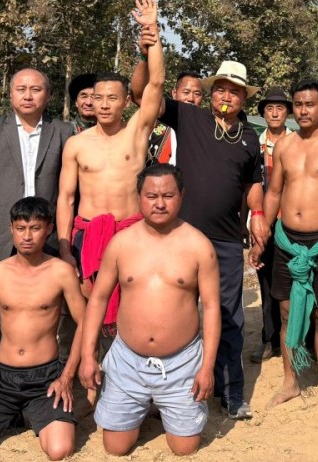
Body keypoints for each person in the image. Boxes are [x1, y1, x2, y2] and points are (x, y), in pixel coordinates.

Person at [130, 55, 263, 420]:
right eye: (221, 89)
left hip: (227, 241)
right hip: (182, 237)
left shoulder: (250, 137)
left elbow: (252, 185)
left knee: (229, 315)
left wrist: (258, 216)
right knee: (175, 312)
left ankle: (231, 392)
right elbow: (141, 94)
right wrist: (145, 54)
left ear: (244, 99)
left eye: (235, 92)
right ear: (211, 93)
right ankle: (169, 390)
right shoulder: (189, 117)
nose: (227, 96)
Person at [80, 164, 220, 456]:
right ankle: (143, 404)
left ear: (181, 196)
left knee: (184, 449)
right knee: (115, 447)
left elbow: (211, 307)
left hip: (182, 362)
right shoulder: (121, 243)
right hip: (128, 360)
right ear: (139, 197)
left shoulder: (199, 246)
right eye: (151, 196)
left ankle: (163, 403)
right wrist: (88, 355)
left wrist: (206, 368)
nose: (159, 203)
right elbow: (98, 299)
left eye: (168, 195)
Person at [0, 197, 86, 461]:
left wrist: (66, 378)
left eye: (35, 228)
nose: (27, 236)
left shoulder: (61, 272)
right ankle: (15, 414)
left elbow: (84, 324)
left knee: (60, 450)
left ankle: (28, 413)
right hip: (1, 380)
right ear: (11, 229)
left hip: (45, 380)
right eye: (21, 228)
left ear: (49, 229)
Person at [250, 79, 318, 414]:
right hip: (286, 240)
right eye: (298, 104)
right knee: (285, 312)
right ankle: (290, 381)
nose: (303, 110)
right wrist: (263, 232)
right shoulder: (285, 145)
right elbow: (274, 192)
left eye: (310, 104)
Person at [0, 67, 74, 371]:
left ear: (48, 95)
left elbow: (72, 189)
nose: (28, 95)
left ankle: (49, 373)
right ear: (10, 95)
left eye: (36, 89)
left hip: (49, 237)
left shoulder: (64, 132)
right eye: (21, 89)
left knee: (52, 308)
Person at [56, 0, 165, 311]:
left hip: (130, 231)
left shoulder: (136, 132)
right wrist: (64, 246)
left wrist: (152, 31)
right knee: (88, 307)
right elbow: (65, 198)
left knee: (134, 305)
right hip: (87, 233)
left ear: (126, 102)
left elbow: (156, 82)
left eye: (112, 98)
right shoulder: (76, 144)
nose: (103, 105)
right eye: (98, 98)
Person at [250, 86, 294, 364]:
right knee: (266, 282)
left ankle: (301, 340)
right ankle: (270, 339)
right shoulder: (254, 145)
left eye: (280, 108)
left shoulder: (298, 142)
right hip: (263, 223)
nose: (275, 113)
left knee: (297, 281)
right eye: (270, 108)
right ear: (263, 113)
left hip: (293, 223)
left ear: (287, 112)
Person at [145, 70, 204, 167]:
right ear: (174, 93)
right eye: (186, 92)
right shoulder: (152, 124)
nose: (191, 99)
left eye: (197, 94)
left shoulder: (206, 129)